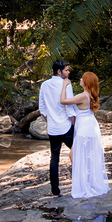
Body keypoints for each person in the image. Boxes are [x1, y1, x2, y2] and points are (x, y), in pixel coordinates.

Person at [60, 71, 110, 199]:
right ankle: (86, 181)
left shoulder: (83, 96)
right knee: (86, 155)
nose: (80, 80)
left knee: (74, 154)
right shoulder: (90, 95)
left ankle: (84, 183)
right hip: (90, 126)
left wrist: (65, 85)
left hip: (85, 128)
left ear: (86, 82)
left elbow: (63, 101)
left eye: (82, 79)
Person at [38, 59, 77, 196]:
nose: (68, 72)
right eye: (66, 70)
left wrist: (50, 120)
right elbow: (70, 108)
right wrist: (75, 124)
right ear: (59, 71)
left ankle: (55, 190)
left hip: (53, 128)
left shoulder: (44, 85)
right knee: (78, 153)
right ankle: (80, 184)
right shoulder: (66, 84)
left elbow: (42, 108)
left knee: (54, 158)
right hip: (66, 126)